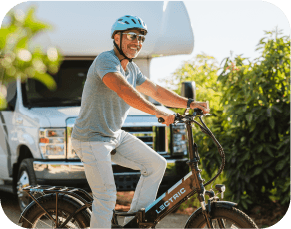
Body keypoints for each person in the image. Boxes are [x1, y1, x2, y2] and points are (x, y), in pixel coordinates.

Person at [71, 15, 210, 229]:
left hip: (114, 135)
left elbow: (155, 90)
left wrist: (189, 103)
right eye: (132, 36)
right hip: (91, 138)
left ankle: (134, 225)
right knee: (107, 196)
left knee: (156, 164)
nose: (137, 43)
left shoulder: (132, 70)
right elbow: (124, 90)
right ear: (117, 38)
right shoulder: (106, 60)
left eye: (141, 38)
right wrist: (158, 112)